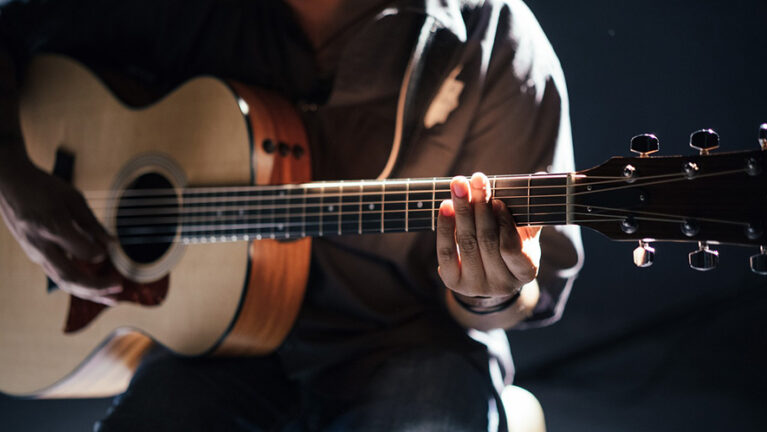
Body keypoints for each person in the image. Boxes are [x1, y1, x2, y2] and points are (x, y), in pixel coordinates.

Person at [0, 0, 582, 430]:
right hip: (213, 350)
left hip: (406, 344)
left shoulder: (497, 40)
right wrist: (14, 178)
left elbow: (524, 295)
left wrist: (490, 290)